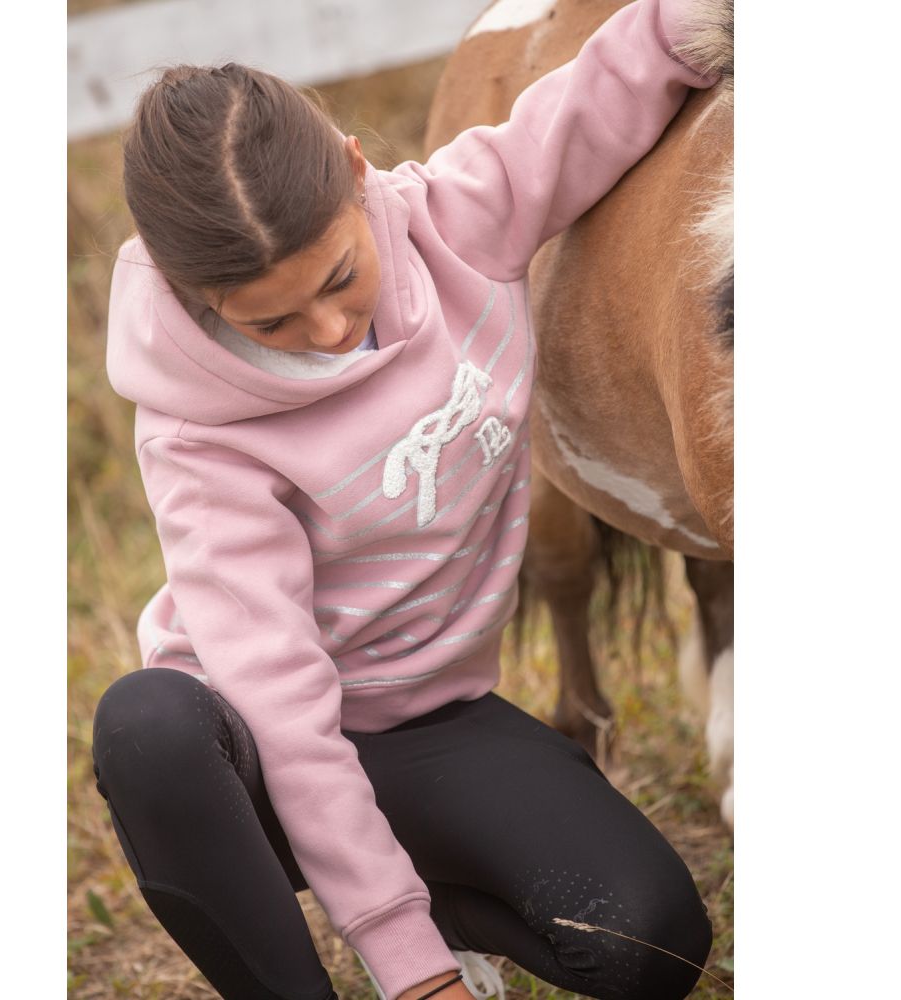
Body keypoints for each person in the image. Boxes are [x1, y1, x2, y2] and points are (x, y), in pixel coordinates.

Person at [92, 1, 721, 998]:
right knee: (148, 725)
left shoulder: (454, 220)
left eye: (340, 279)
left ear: (356, 172)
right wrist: (411, 968)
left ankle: (433, 893)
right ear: (189, 289)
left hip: (424, 716)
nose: (328, 331)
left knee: (651, 940)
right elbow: (283, 704)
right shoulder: (195, 431)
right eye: (269, 322)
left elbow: (590, 101)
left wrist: (700, 18)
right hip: (251, 755)